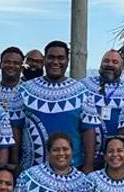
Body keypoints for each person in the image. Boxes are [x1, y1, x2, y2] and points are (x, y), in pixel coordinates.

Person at [13, 41, 98, 172]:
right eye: (51, 57)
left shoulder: (82, 91)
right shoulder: (25, 90)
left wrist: (88, 165)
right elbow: (16, 128)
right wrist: (14, 162)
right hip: (31, 169)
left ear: (67, 60)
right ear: (44, 60)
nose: (55, 62)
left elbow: (89, 131)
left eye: (61, 58)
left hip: (72, 169)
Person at [82, 50, 124, 168]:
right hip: (86, 155)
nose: (110, 64)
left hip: (117, 158)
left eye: (115, 62)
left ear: (122, 67)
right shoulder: (84, 86)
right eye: (106, 61)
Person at [0, 46, 25, 165]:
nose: (11, 66)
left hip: (22, 150)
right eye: (7, 62)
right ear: (0, 64)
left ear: (22, 66)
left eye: (16, 63)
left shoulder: (28, 90)